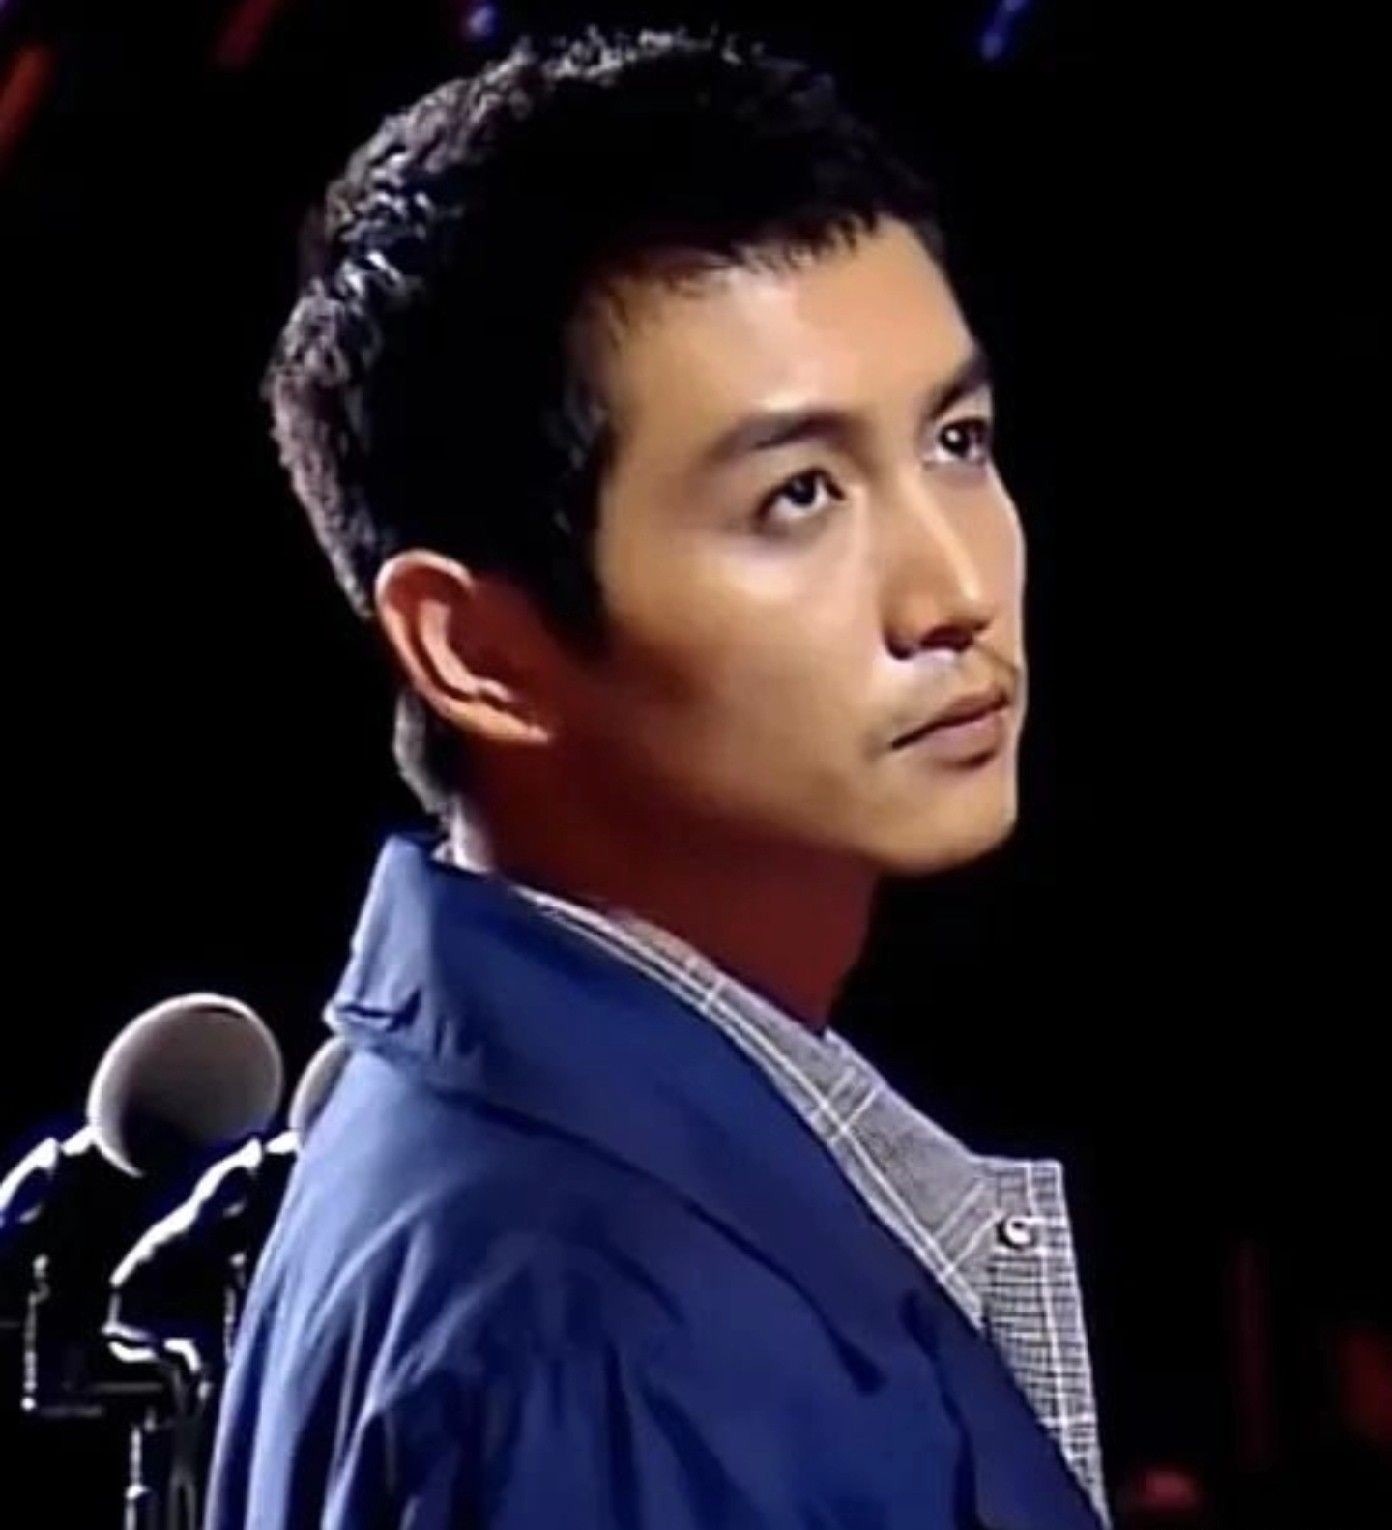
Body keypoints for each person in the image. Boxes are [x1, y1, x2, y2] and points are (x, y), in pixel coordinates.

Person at [206, 22, 1111, 1528]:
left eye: (958, 440)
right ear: (475, 651)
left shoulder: (496, 1146)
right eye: (798, 495)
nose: (955, 589)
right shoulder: (602, 1337)